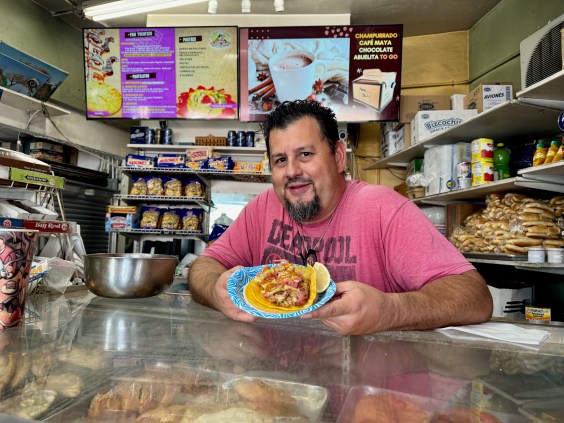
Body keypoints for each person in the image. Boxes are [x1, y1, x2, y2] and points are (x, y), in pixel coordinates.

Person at [189, 99, 493, 335]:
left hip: (364, 397)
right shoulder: (262, 208)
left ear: (337, 156)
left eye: (305, 154)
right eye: (281, 160)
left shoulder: (383, 209)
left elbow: (474, 296)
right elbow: (204, 266)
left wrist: (391, 309)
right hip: (275, 386)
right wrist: (217, 290)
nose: (292, 171)